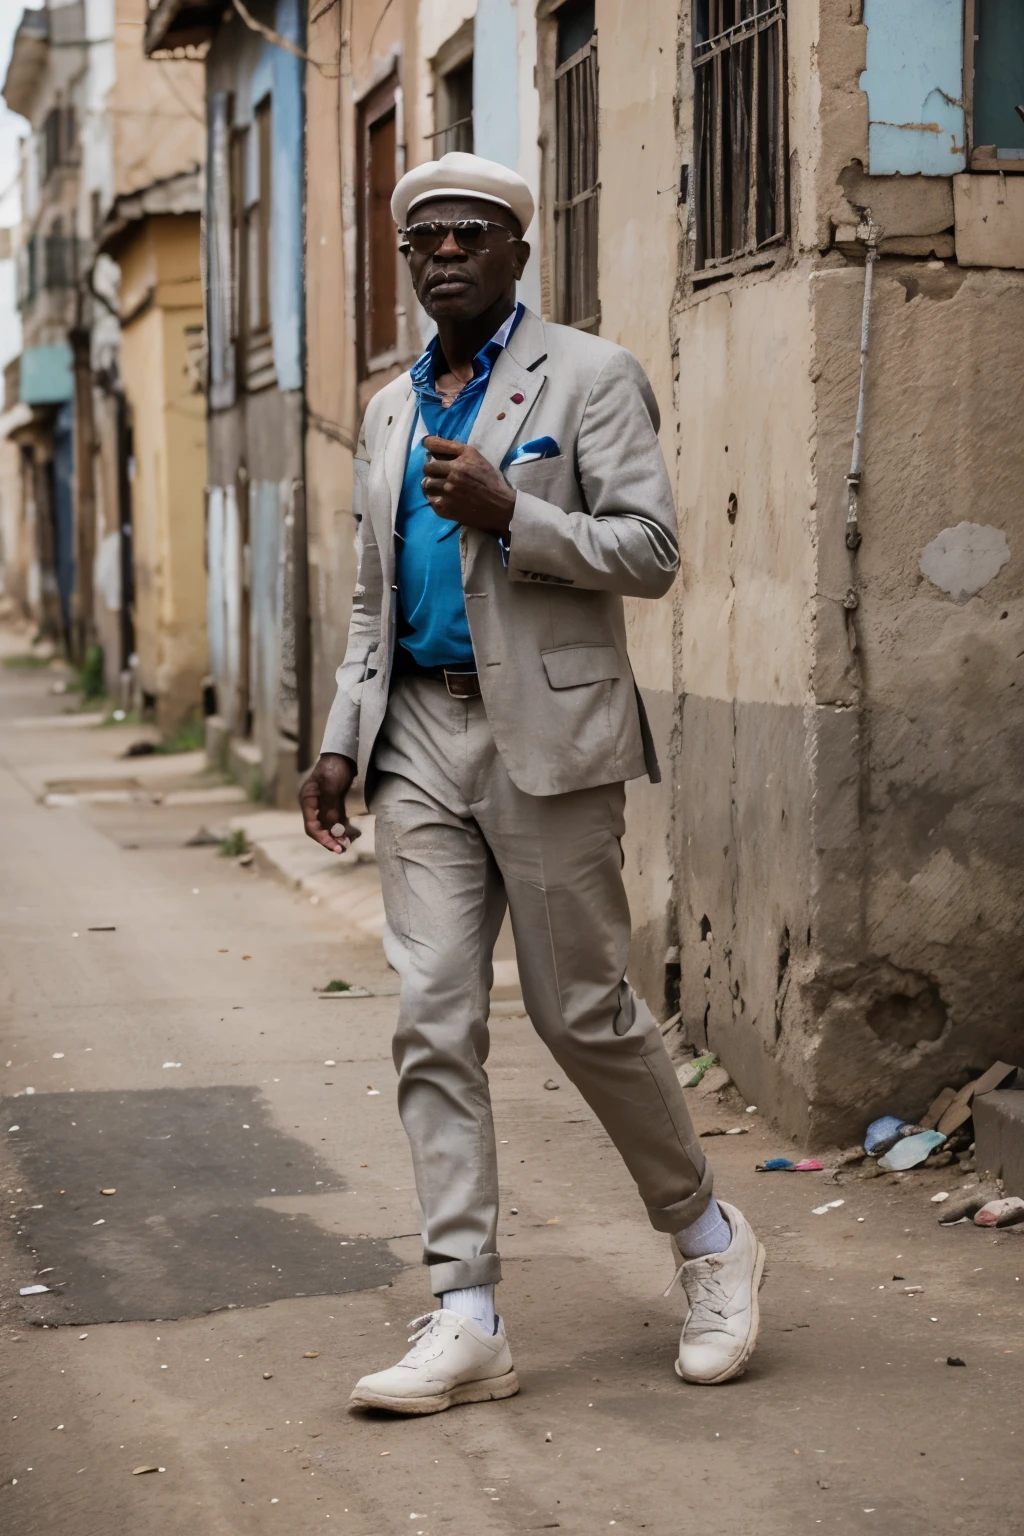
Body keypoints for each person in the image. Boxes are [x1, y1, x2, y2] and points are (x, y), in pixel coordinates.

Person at [300, 151, 765, 1415]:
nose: (443, 253)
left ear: (516, 250)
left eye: (469, 235)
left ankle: (710, 1242)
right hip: (417, 744)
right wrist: (344, 732)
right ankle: (466, 1312)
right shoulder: (393, 410)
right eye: (424, 241)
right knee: (431, 1019)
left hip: (546, 745)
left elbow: (653, 550)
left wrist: (515, 513)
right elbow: (369, 598)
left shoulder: (592, 374)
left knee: (582, 1014)